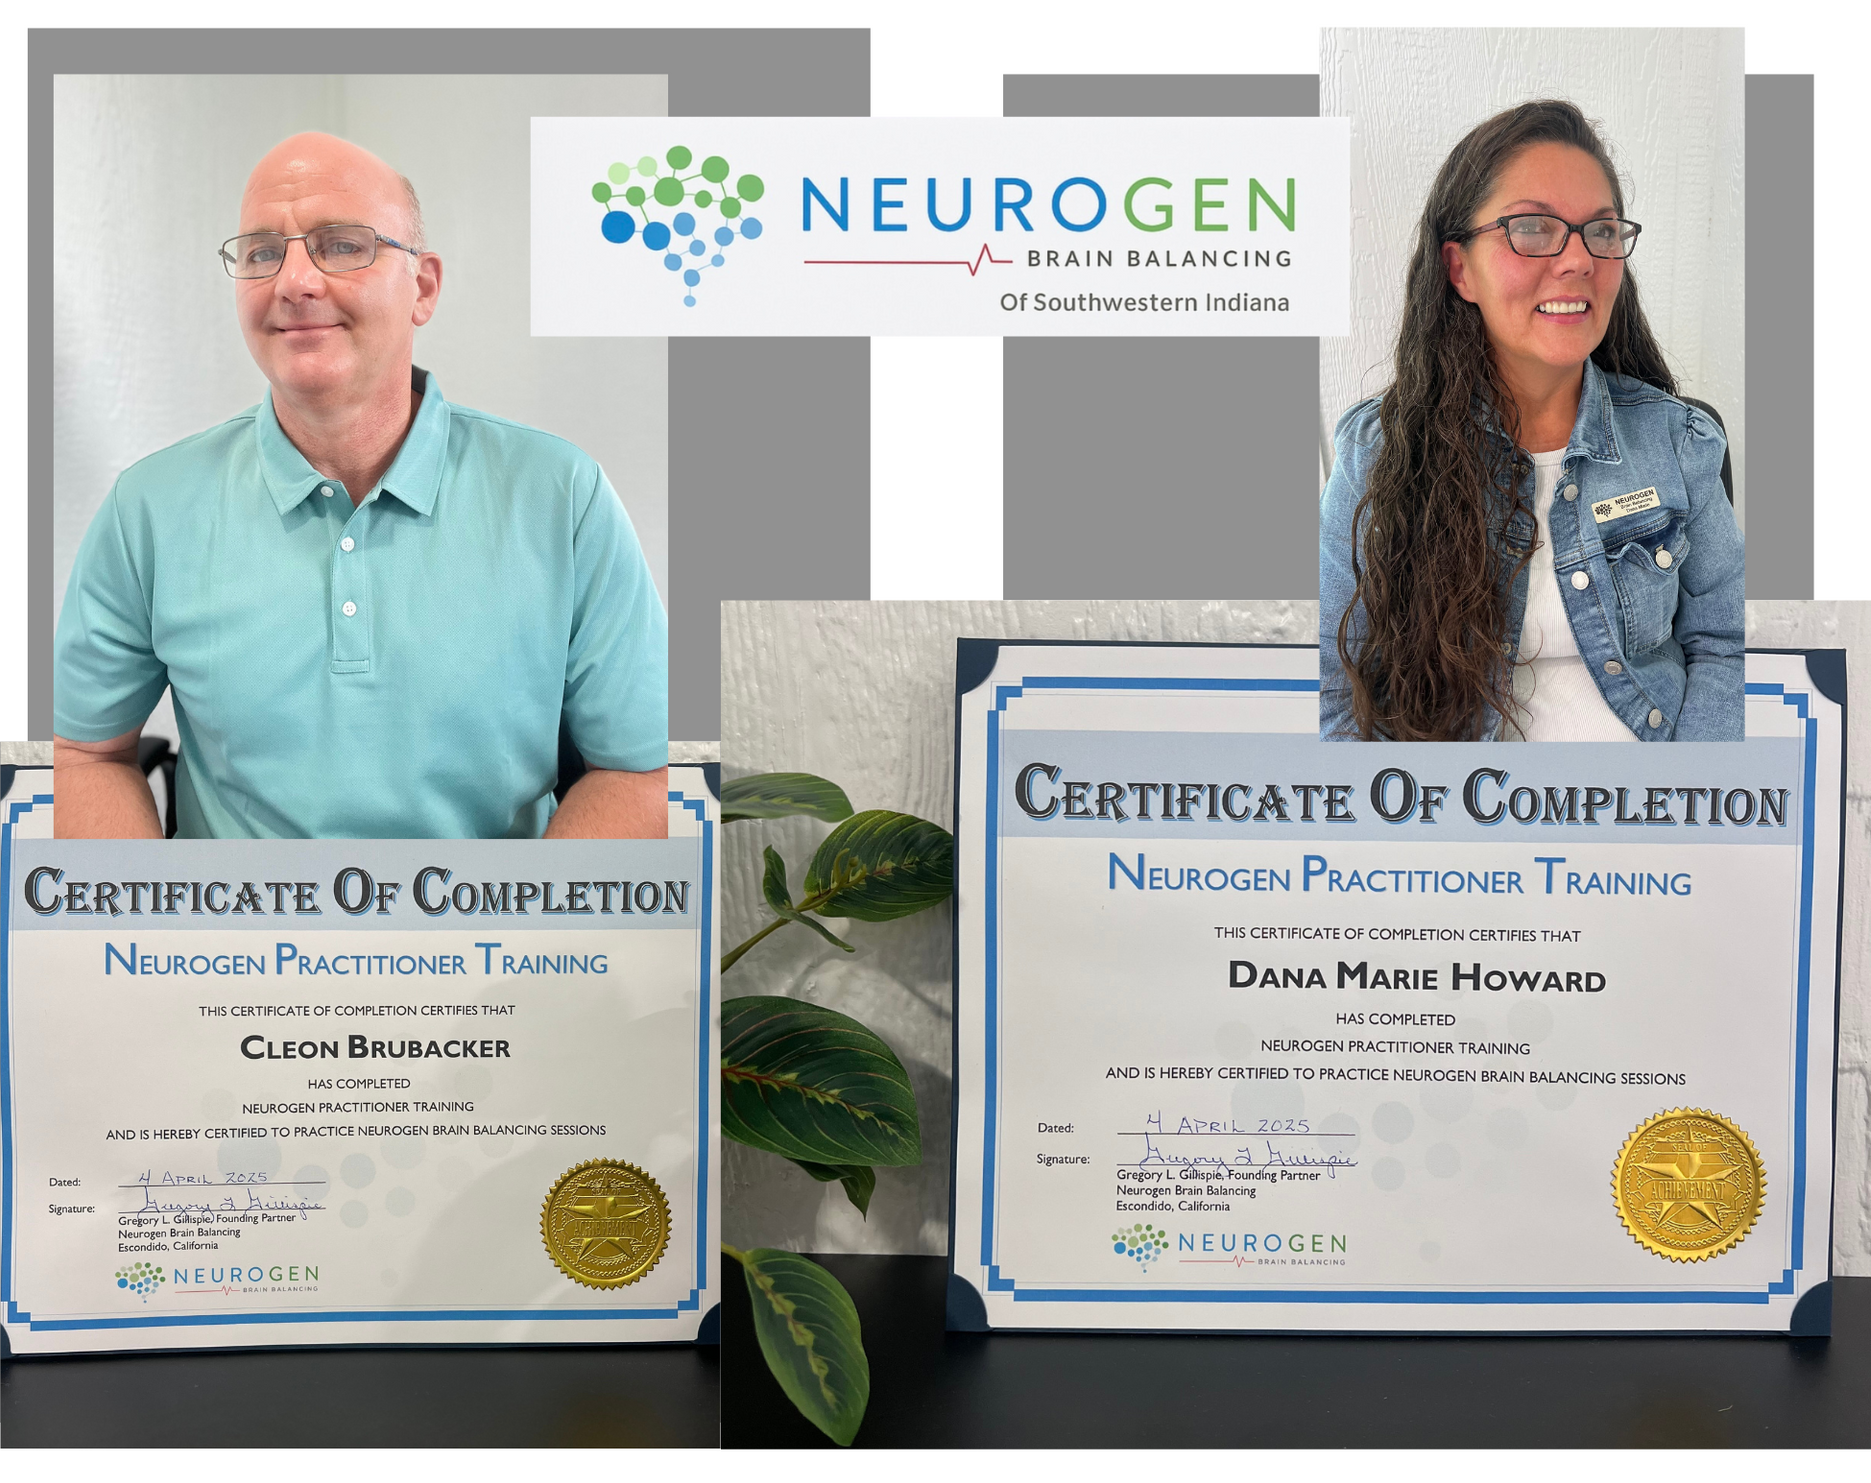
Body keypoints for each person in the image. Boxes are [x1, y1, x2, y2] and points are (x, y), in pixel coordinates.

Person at [54, 132, 668, 837]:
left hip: (491, 938)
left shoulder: (562, 498)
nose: (294, 282)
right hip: (238, 946)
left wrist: (523, 944)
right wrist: (160, 940)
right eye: (261, 252)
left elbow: (634, 770)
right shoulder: (149, 510)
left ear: (423, 286)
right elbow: (88, 754)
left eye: (342, 244)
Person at [1319, 100, 1743, 743]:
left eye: (1601, 231)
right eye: (1533, 228)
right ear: (1460, 269)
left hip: (1651, 822)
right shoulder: (1375, 456)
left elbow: (1729, 644)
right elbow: (1331, 691)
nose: (1578, 261)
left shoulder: (1679, 444)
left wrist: (1687, 809)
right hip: (1456, 830)